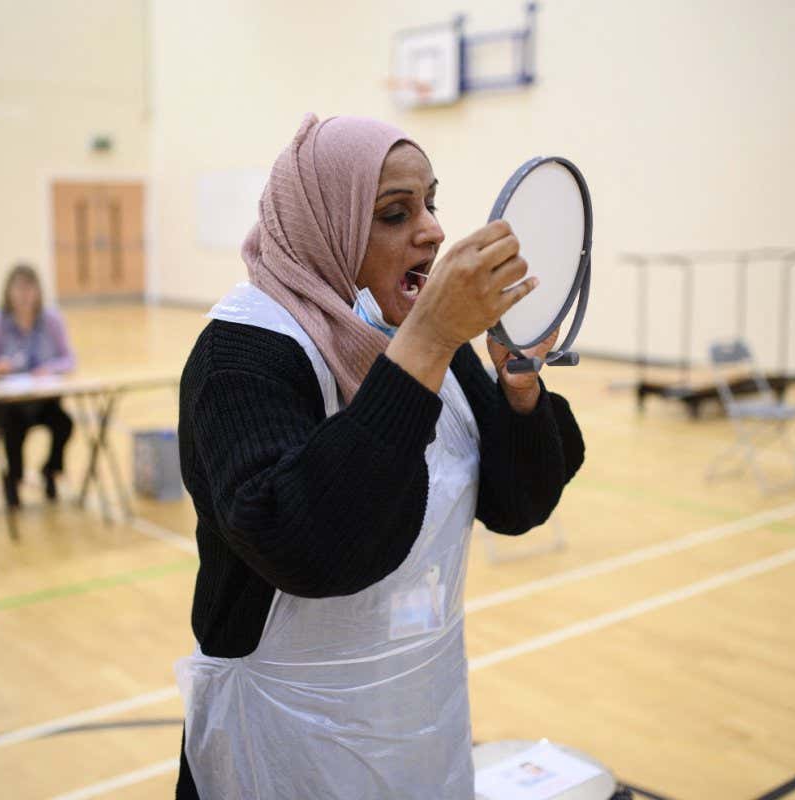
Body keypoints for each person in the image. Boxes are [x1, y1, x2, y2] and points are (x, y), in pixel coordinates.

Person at [174, 114, 585, 799]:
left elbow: (519, 507)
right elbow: (308, 545)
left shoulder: (425, 340)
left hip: (417, 725)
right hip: (278, 748)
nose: (431, 230)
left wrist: (518, 384)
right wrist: (425, 344)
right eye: (396, 213)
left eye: (431, 202)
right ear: (323, 226)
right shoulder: (240, 357)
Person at [0, 263, 76, 509]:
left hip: (40, 399)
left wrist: (51, 369)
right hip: (5, 406)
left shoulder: (51, 321)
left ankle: (50, 470)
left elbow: (69, 359)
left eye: (30, 289)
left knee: (64, 423)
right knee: (13, 427)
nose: (25, 295)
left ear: (38, 292)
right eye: (19, 289)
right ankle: (13, 479)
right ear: (8, 292)